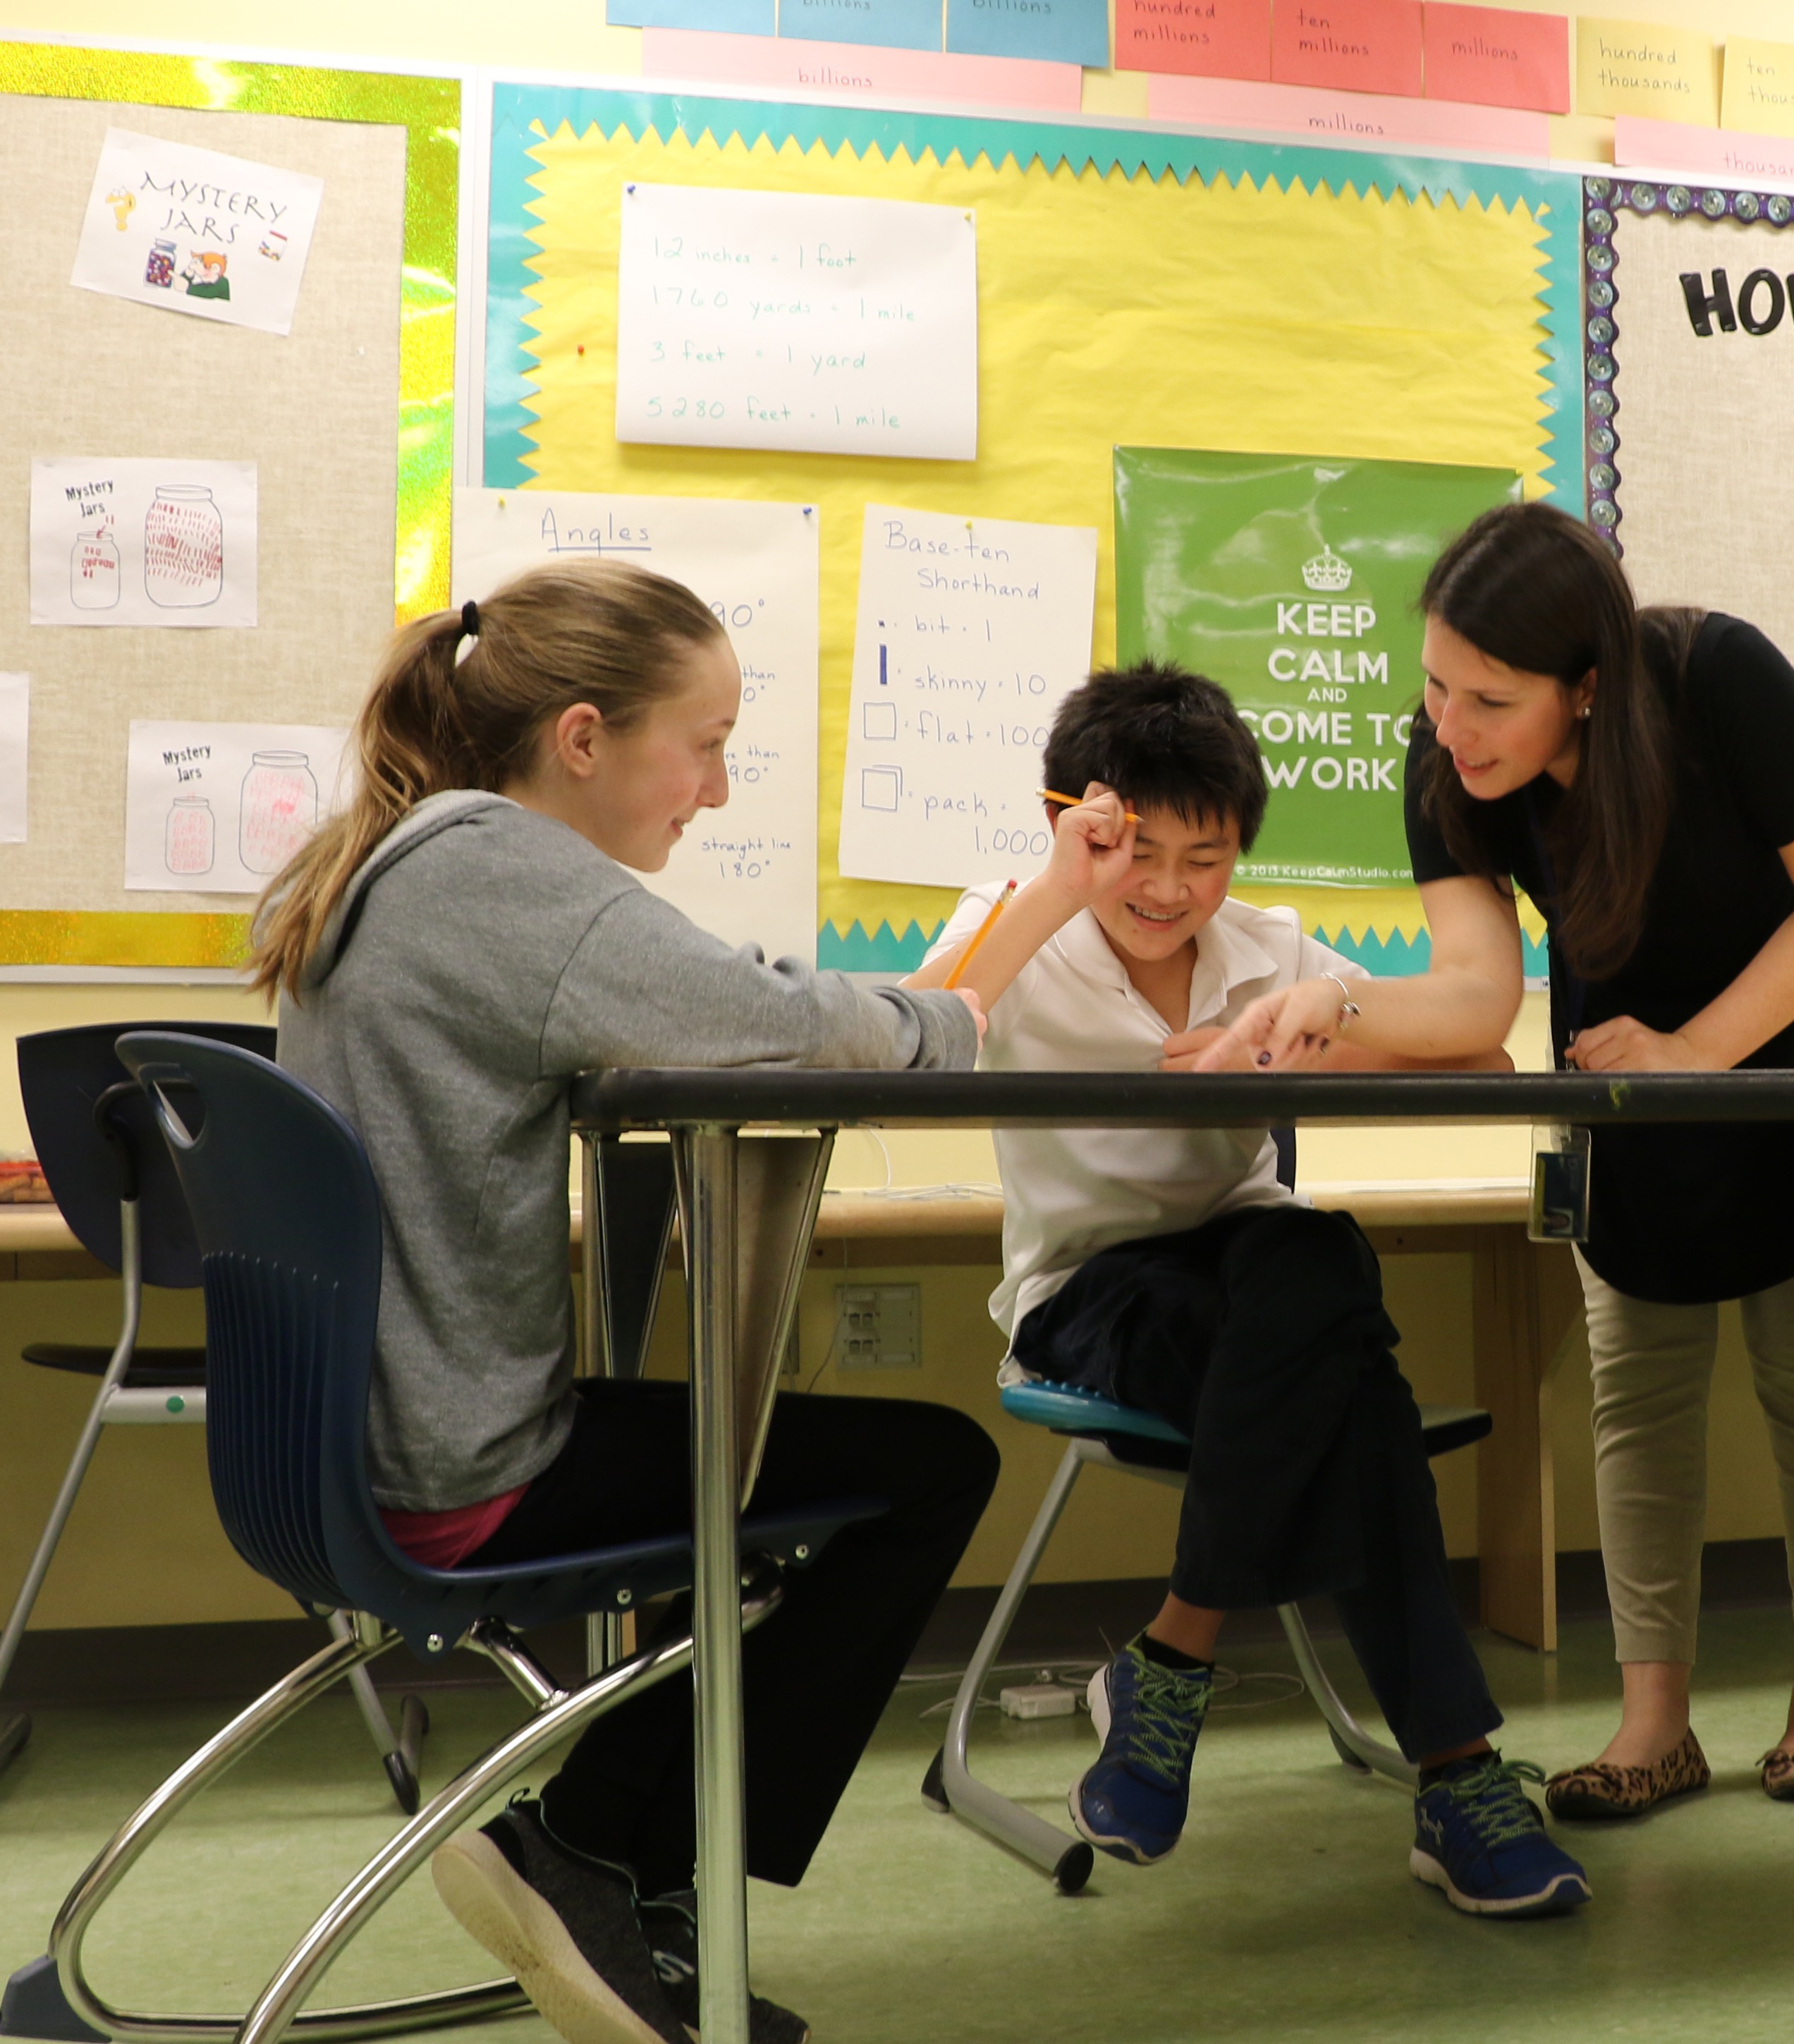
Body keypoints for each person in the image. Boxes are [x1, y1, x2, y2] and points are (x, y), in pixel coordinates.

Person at [250, 561, 998, 2044]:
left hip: (345, 1459)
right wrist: (955, 1019)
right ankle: (593, 1850)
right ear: (581, 739)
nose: (714, 789)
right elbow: (781, 1025)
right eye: (703, 742)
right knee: (925, 1471)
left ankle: (622, 1883)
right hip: (460, 1475)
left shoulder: (408, 859)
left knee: (741, 1464)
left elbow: (698, 1013)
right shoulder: (498, 869)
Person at [1216, 502, 1794, 1815]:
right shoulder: (1447, 773)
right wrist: (1337, 1002)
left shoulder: (1717, 677)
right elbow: (1477, 998)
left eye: (1490, 698)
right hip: (1626, 1033)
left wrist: (1699, 1052)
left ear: (1585, 689)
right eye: (1433, 684)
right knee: (1636, 1369)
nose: (1451, 724)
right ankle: (1656, 1721)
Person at [905, 663, 1590, 1920]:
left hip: (1253, 1266)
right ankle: (1459, 1774)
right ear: (1078, 823)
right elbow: (921, 1026)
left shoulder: (1268, 945)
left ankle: (1173, 1657)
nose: (1170, 889)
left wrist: (1307, 1027)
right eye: (1135, 852)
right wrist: (1060, 880)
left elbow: (1481, 1052)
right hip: (1090, 1290)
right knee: (1356, 1392)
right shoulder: (1018, 921)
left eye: (1206, 858)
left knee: (1318, 1259)